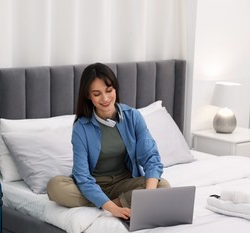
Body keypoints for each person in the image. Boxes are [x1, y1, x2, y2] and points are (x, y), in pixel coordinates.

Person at [47, 62, 170, 220]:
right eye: (97, 94)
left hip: (124, 183)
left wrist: (149, 196)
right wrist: (112, 209)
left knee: (162, 186)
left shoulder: (133, 117)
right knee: (55, 186)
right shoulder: (81, 128)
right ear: (88, 96)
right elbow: (82, 176)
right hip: (91, 185)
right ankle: (108, 201)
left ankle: (105, 202)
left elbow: (151, 158)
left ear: (115, 89)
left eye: (109, 90)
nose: (105, 98)